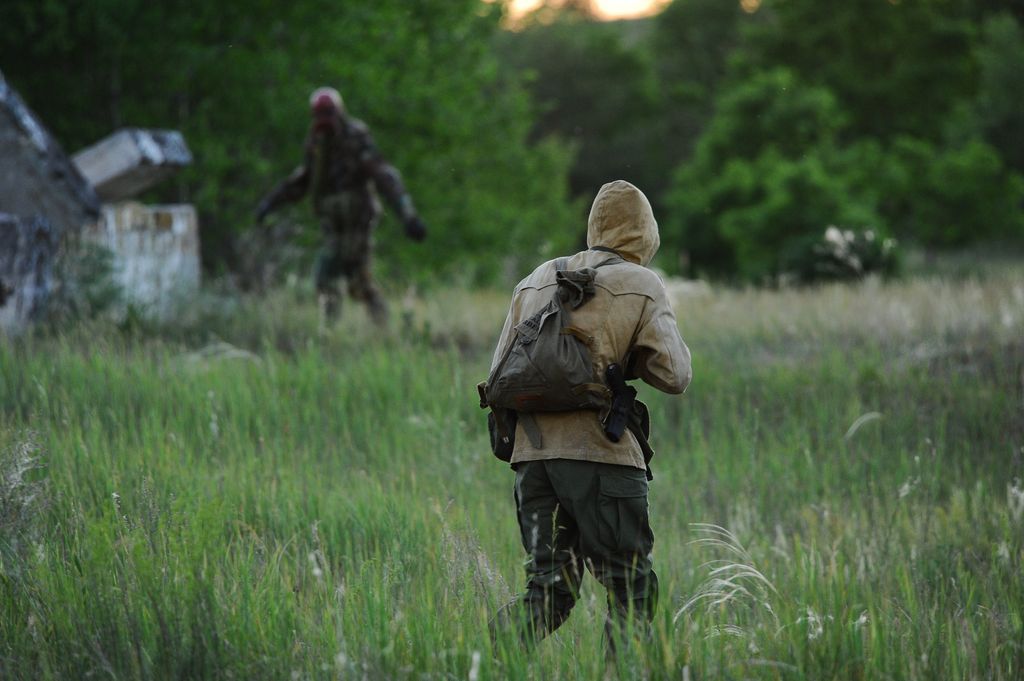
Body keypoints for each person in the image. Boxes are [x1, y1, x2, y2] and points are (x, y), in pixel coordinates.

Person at [487, 180, 691, 652]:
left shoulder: (536, 279)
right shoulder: (642, 284)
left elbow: (499, 372)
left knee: (548, 593)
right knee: (630, 591)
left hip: (533, 462)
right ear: (646, 233)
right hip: (603, 458)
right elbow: (675, 375)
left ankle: (481, 664)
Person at [255, 87, 427, 325]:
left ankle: (382, 327)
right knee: (325, 277)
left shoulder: (355, 136)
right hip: (333, 223)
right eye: (320, 115)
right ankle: (330, 331)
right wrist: (269, 204)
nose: (324, 120)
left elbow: (384, 176)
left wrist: (407, 215)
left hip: (358, 220)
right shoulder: (316, 141)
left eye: (328, 114)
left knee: (358, 283)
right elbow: (301, 181)